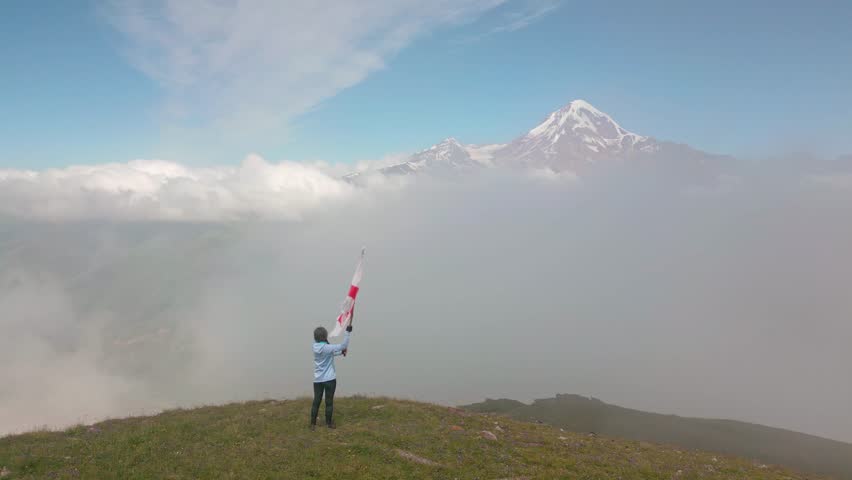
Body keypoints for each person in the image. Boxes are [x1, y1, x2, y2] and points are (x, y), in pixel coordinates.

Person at [310, 314, 353, 430]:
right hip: (329, 379)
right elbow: (343, 345)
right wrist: (348, 331)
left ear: (315, 337)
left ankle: (312, 424)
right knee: (329, 402)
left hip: (318, 380)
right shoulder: (327, 347)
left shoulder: (315, 347)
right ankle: (329, 424)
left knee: (316, 401)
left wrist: (340, 353)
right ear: (324, 336)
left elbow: (330, 354)